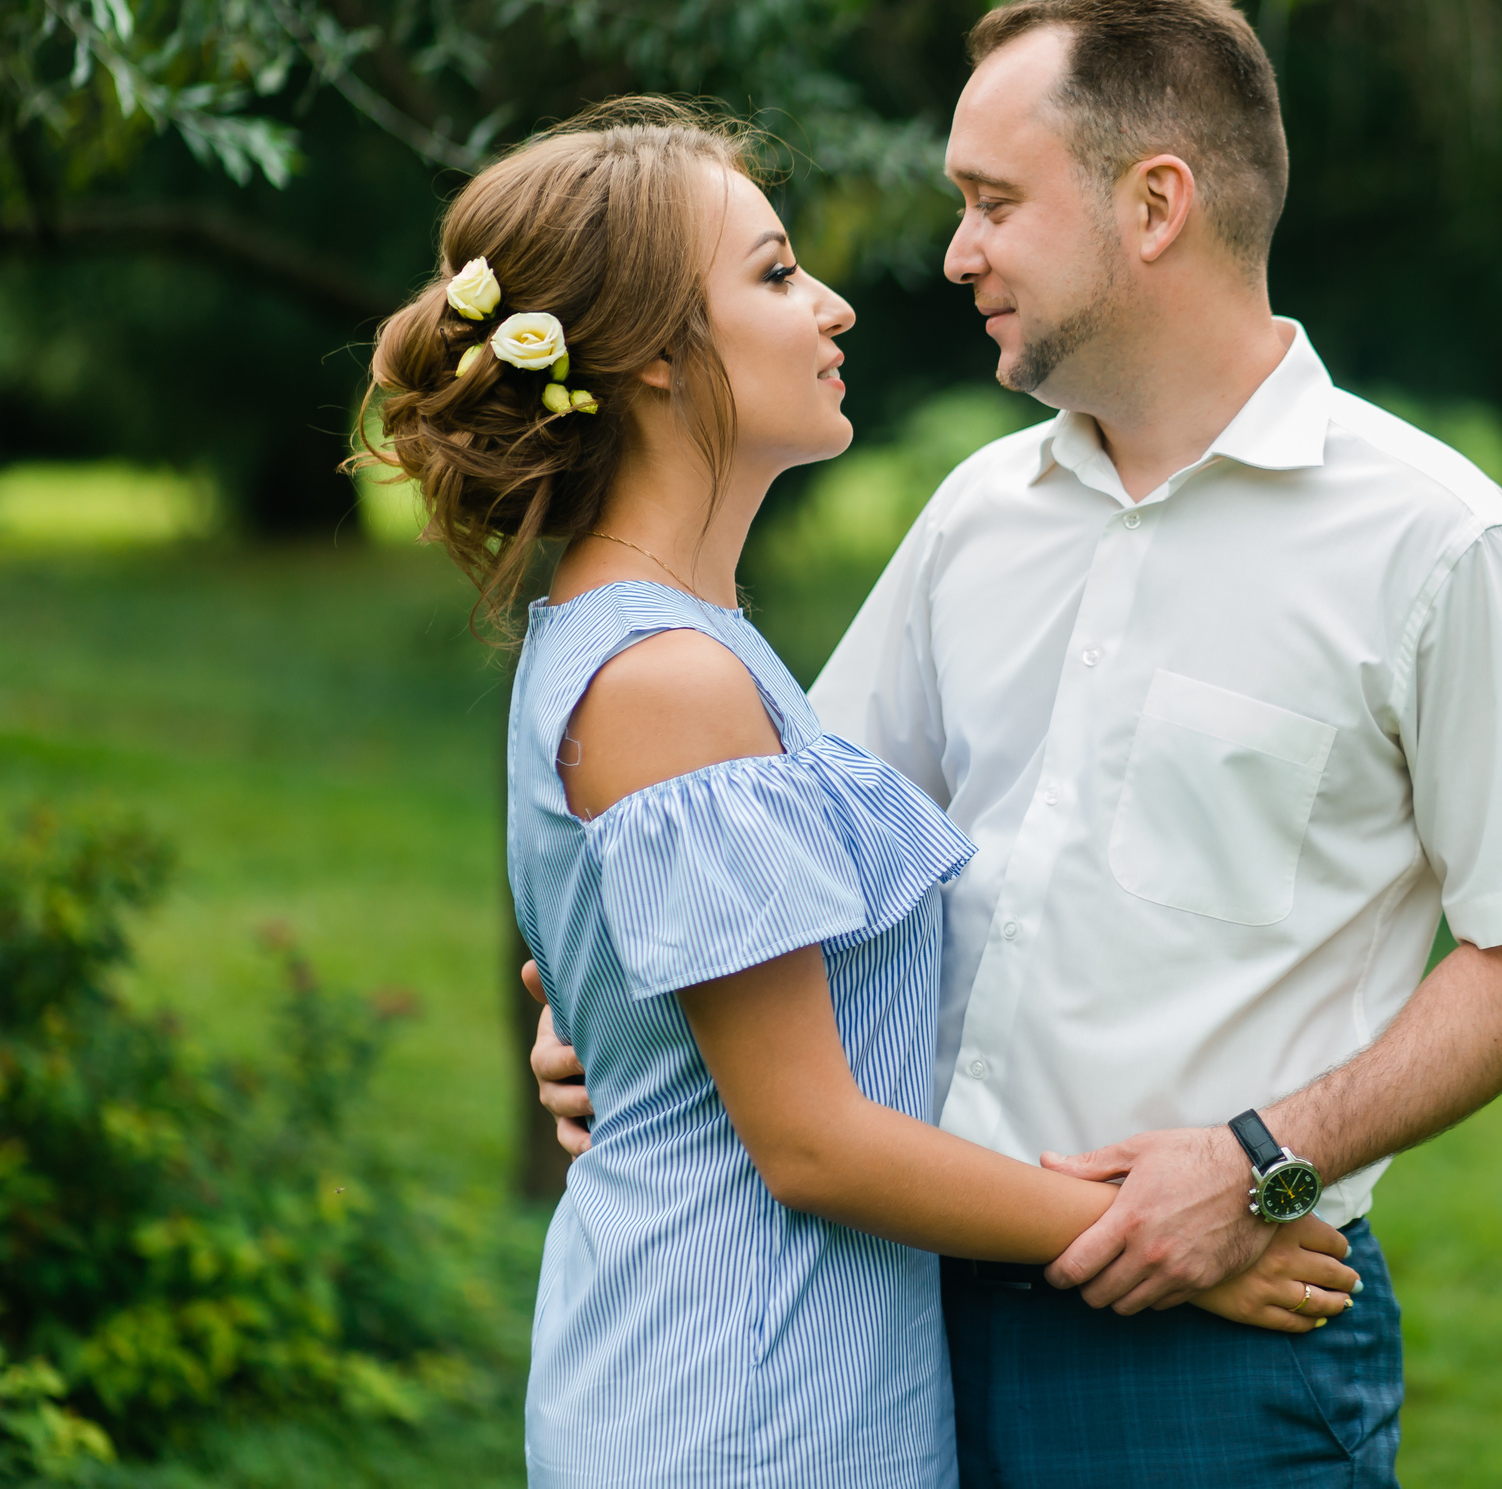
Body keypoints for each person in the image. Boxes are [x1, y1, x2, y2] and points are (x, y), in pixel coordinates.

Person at [534, 0, 1502, 1485]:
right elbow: (765, 848)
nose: (956, 251)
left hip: (1213, 1343)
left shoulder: (1436, 545)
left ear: (1155, 203)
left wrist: (1260, 1163)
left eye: (993, 202)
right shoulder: (977, 516)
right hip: (888, 1309)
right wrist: (622, 1015)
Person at [364, 98, 1362, 1489]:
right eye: (774, 275)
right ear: (654, 356)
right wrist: (1164, 1239)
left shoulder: (691, 646)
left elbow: (700, 1000)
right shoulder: (668, 677)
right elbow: (815, 1144)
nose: (831, 306)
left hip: (787, 1379)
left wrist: (612, 1036)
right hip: (738, 1404)